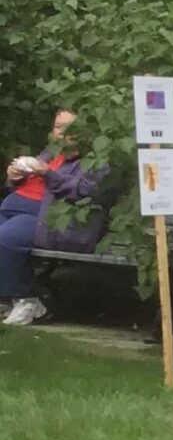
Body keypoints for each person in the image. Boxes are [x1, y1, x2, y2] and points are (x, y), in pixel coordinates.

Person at [1, 109, 111, 325]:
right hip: (15, 210)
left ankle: (28, 299)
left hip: (49, 219)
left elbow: (83, 190)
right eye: (58, 127)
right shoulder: (51, 153)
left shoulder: (94, 161)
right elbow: (27, 181)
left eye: (69, 129)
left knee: (6, 238)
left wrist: (47, 173)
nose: (61, 133)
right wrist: (14, 176)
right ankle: (6, 299)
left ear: (86, 133)